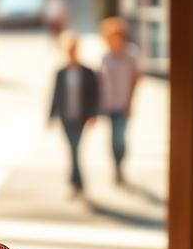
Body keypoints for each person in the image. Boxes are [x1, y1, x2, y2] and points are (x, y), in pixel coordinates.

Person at [48, 31, 99, 198]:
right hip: (66, 116)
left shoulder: (87, 71)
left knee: (75, 150)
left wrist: (94, 114)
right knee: (72, 150)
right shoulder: (61, 72)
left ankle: (76, 184)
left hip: (81, 116)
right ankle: (77, 184)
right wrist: (50, 116)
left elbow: (94, 95)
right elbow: (55, 95)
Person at [98, 16, 141, 185]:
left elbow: (136, 79)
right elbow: (100, 81)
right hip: (108, 104)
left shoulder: (131, 54)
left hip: (123, 104)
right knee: (111, 139)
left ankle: (121, 165)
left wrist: (131, 101)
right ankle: (116, 168)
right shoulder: (105, 56)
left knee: (119, 138)